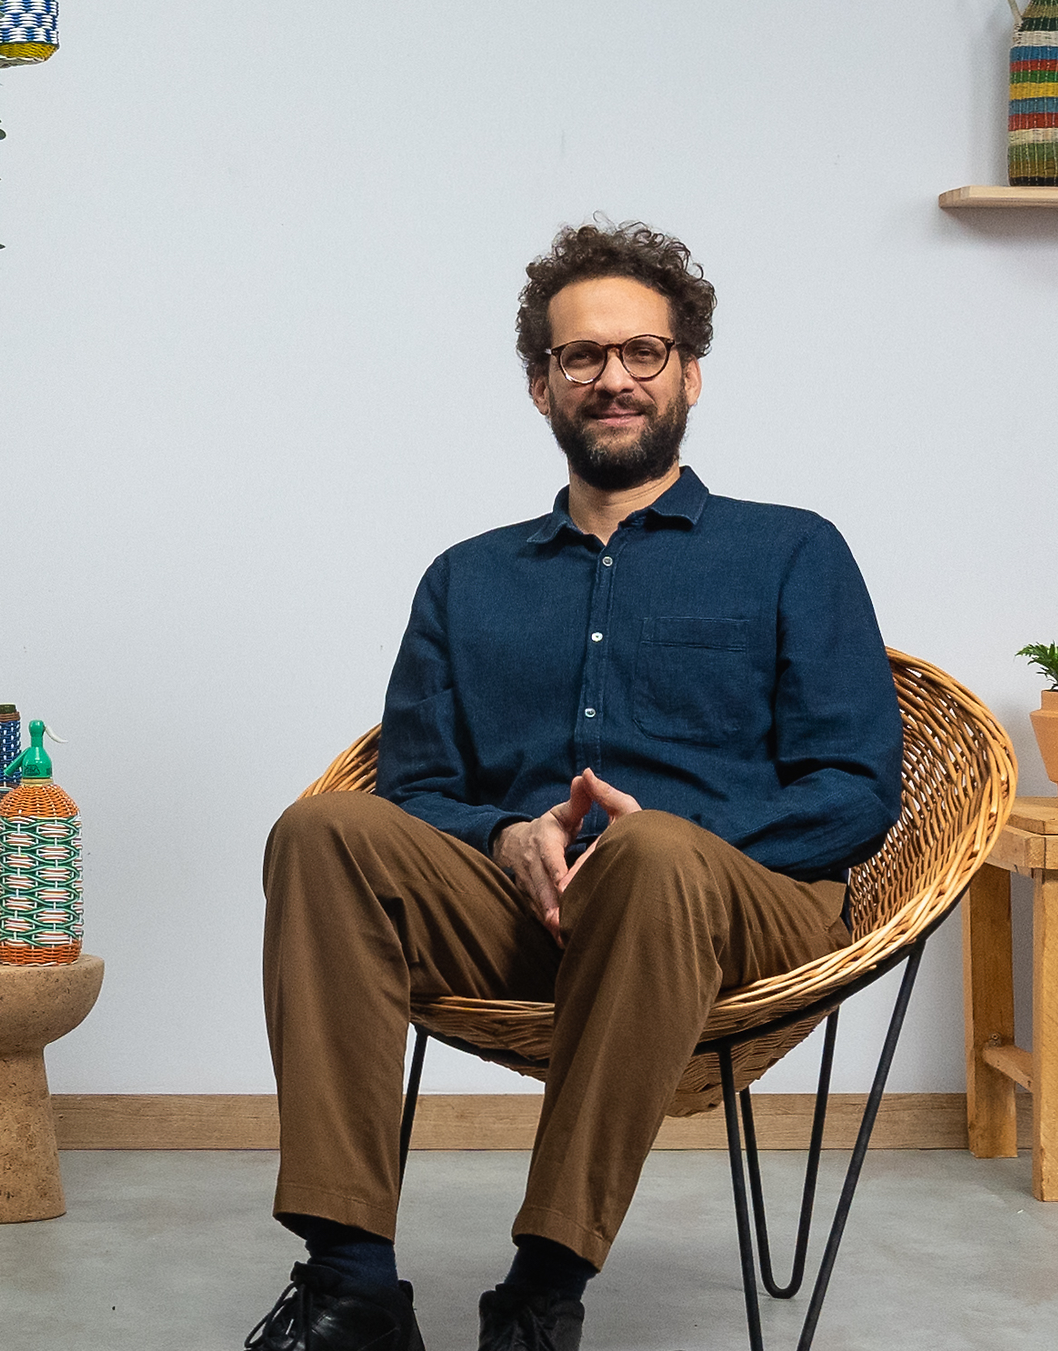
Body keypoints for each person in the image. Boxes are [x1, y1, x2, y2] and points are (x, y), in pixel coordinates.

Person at [248, 223, 903, 1351]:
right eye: (579, 358)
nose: (612, 378)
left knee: (649, 855)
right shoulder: (465, 578)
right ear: (540, 384)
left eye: (641, 352)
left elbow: (854, 788)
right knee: (317, 833)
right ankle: (351, 1279)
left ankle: (542, 1288)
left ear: (688, 372)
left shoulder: (792, 551)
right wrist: (504, 832)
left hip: (737, 909)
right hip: (526, 913)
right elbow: (412, 785)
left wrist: (682, 835)